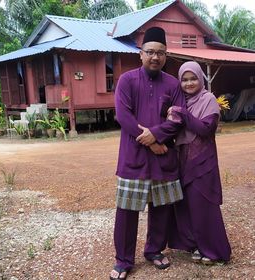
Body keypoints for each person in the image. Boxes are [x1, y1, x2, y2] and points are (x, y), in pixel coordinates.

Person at [110, 26, 186, 280]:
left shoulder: (173, 84)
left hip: (163, 158)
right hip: (134, 156)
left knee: (161, 208)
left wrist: (157, 135)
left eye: (161, 53)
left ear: (166, 56)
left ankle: (153, 250)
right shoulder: (127, 80)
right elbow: (123, 115)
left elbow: (177, 118)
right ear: (140, 54)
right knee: (127, 210)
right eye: (150, 52)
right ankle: (123, 260)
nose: (155, 57)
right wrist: (151, 140)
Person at [167, 61, 231, 264]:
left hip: (203, 160)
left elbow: (205, 129)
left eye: (193, 78)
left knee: (203, 204)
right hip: (183, 158)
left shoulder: (208, 99)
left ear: (201, 78)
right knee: (186, 205)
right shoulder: (181, 101)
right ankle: (195, 245)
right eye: (184, 80)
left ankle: (215, 251)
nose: (189, 83)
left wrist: (183, 114)